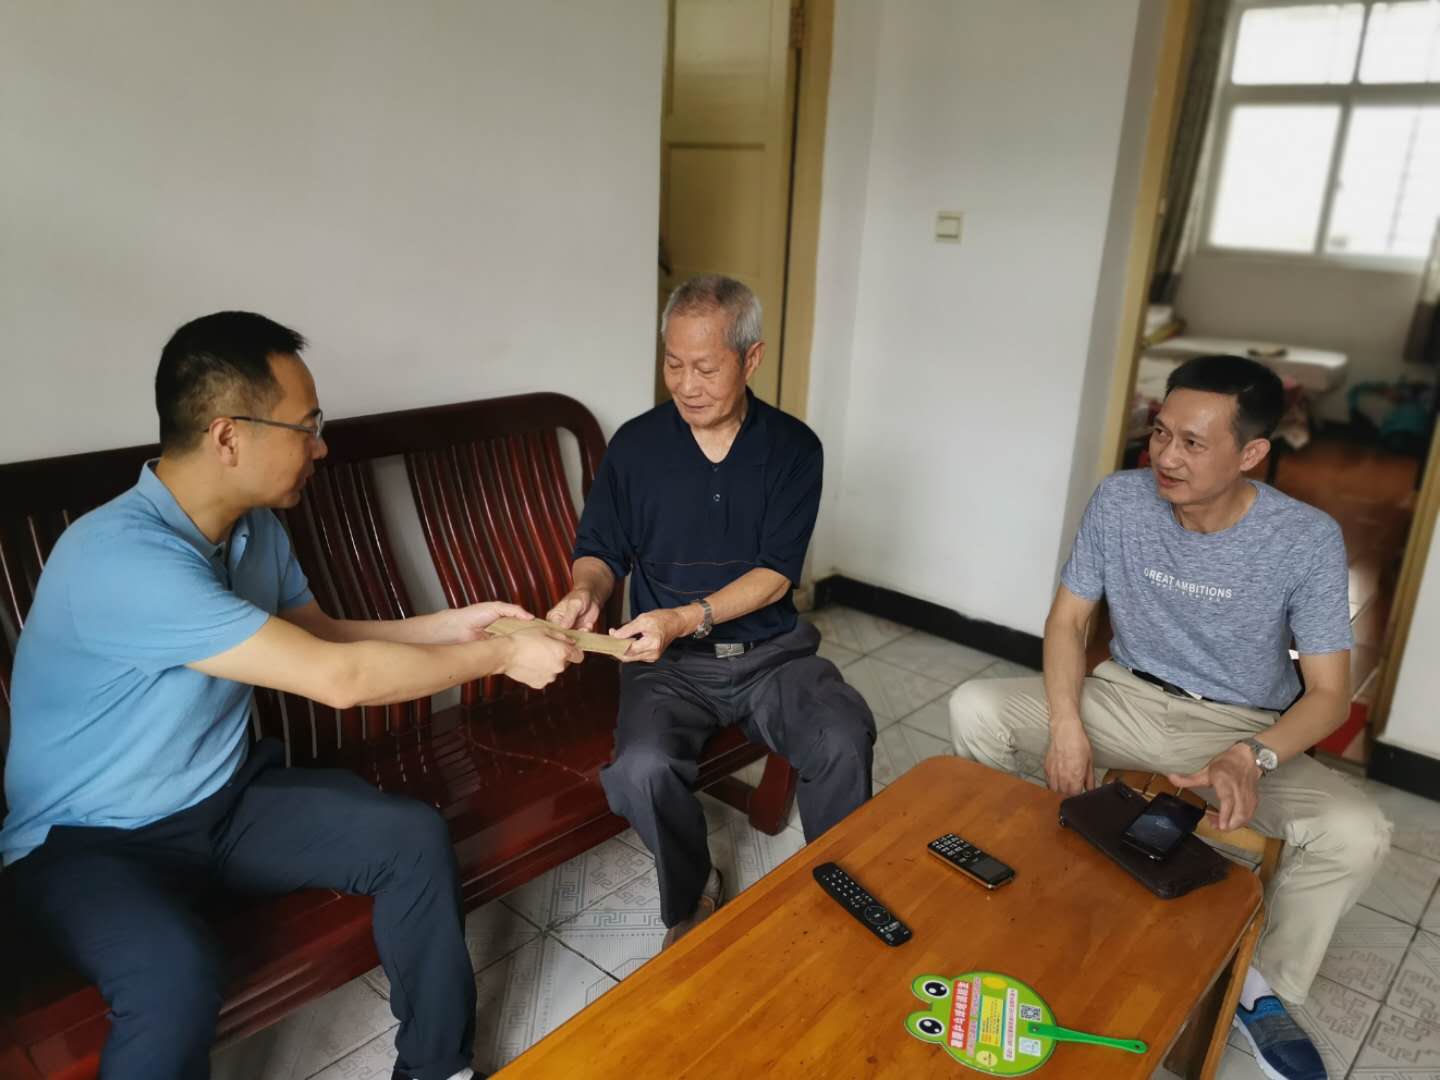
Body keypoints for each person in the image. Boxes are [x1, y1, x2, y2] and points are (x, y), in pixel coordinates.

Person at [0, 312, 582, 1080]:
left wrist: (456, 625)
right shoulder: (120, 560)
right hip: (86, 843)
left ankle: (437, 1069)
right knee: (174, 979)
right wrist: (500, 656)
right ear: (227, 436)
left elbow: (321, 636)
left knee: (408, 839)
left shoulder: (253, 529)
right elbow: (339, 681)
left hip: (222, 802)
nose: (321, 446)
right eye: (306, 426)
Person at [949, 355, 1390, 1080]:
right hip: (1125, 696)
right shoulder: (1120, 501)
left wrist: (1253, 756)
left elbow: (1328, 696)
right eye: (1160, 433)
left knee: (1356, 832)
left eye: (1192, 442)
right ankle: (1016, 883)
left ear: (1251, 454)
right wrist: (1066, 724)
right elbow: (1068, 623)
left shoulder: (1304, 539)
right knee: (976, 707)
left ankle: (1258, 986)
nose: (1165, 456)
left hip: (1240, 728)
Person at [546, 274, 875, 948]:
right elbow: (600, 549)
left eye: (705, 367)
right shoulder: (637, 447)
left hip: (773, 655)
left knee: (843, 734)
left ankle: (840, 890)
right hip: (667, 665)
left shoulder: (793, 449)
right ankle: (692, 889)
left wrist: (683, 615)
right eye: (673, 364)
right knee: (641, 769)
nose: (686, 384)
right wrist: (587, 592)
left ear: (751, 359)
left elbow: (775, 577)